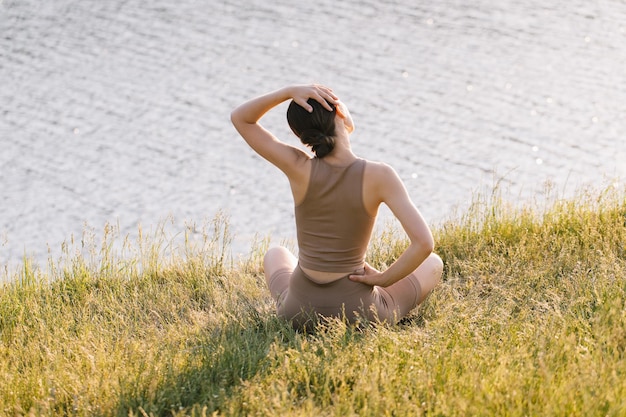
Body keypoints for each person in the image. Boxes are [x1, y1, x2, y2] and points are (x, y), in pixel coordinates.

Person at [231, 84, 443, 330]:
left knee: (276, 254)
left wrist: (288, 92)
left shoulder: (298, 167)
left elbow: (241, 118)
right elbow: (424, 244)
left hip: (298, 312)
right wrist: (382, 279)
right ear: (340, 113)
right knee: (434, 263)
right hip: (359, 313)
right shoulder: (380, 175)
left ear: (302, 136)